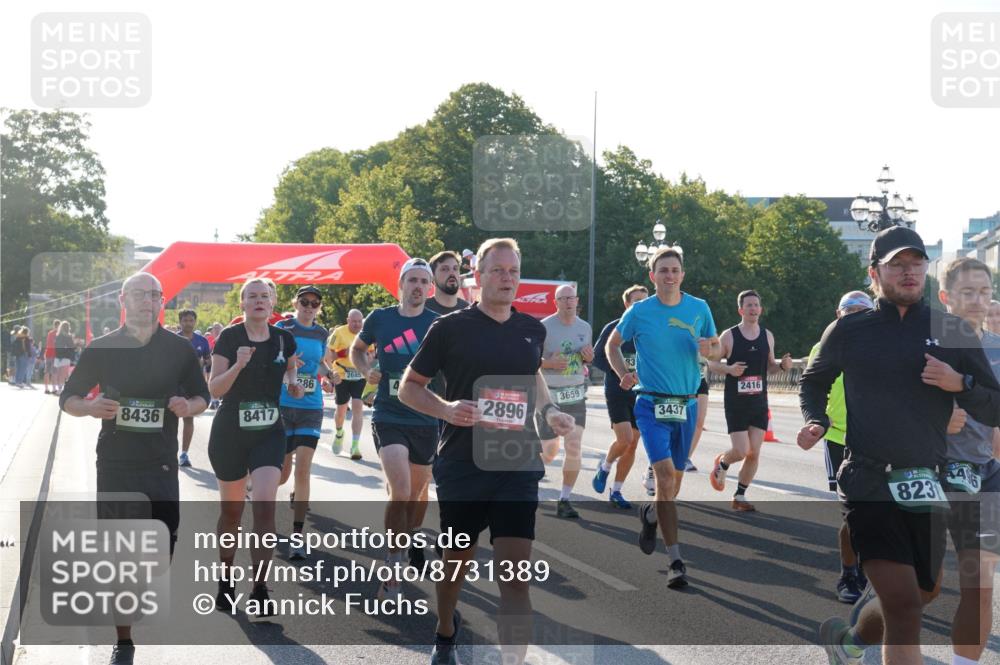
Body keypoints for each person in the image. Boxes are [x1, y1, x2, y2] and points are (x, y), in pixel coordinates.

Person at [799, 227, 1000, 665]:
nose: (908, 272)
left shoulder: (952, 332)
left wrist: (959, 383)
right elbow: (812, 380)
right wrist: (816, 420)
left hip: (926, 483)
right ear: (875, 273)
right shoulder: (850, 330)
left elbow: (994, 405)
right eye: (896, 265)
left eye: (915, 263)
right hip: (869, 479)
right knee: (906, 607)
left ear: (926, 270)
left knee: (922, 594)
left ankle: (850, 639)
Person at [399, 237, 575, 665]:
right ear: (478, 277)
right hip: (463, 464)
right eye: (498, 271)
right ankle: (445, 631)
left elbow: (532, 376)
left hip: (517, 462)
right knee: (454, 566)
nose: (507, 279)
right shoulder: (449, 328)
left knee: (514, 578)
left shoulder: (531, 329)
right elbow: (409, 388)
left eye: (513, 271)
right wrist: (444, 408)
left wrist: (550, 411)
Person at [60, 272, 209, 665]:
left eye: (154, 295)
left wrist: (187, 406)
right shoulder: (102, 348)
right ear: (123, 299)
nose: (147, 301)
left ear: (162, 302)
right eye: (139, 294)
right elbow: (68, 397)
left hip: (160, 464)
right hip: (116, 463)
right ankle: (123, 641)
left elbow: (202, 396)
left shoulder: (179, 349)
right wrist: (89, 408)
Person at [606, 245, 721, 589]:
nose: (669, 275)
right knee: (666, 474)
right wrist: (623, 372)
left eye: (675, 270)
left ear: (682, 275)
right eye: (663, 270)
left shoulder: (699, 308)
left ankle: (652, 513)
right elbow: (612, 345)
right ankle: (675, 561)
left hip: (685, 404)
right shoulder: (639, 312)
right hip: (651, 404)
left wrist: (710, 348)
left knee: (671, 485)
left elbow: (716, 345)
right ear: (652, 275)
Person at [208, 277, 303, 614]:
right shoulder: (229, 338)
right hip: (230, 432)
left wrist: (293, 386)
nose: (259, 301)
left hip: (268, 432)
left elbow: (291, 369)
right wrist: (238, 364)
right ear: (243, 304)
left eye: (265, 296)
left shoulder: (284, 338)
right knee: (232, 512)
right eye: (253, 296)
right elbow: (215, 390)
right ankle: (225, 578)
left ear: (273, 303)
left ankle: (260, 588)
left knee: (264, 506)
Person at [350, 258, 440, 598]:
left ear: (429, 288)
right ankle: (392, 563)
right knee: (400, 490)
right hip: (389, 416)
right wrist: (364, 370)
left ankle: (410, 534)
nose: (418, 286)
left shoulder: (438, 324)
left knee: (417, 495)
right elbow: (358, 350)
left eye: (423, 281)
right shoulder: (381, 318)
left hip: (427, 417)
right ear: (401, 284)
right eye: (412, 280)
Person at [936, 258, 1000, 665]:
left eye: (985, 291)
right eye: (968, 292)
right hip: (929, 470)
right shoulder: (925, 345)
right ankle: (856, 633)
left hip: (982, 473)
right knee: (922, 588)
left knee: (980, 584)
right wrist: (936, 417)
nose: (979, 301)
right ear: (945, 298)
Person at [806, 290, 873, 604]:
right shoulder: (824, 346)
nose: (858, 317)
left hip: (876, 438)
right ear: (839, 315)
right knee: (852, 513)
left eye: (864, 311)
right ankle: (849, 573)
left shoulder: (882, 347)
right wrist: (816, 421)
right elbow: (813, 386)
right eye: (851, 312)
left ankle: (867, 568)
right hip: (838, 437)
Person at [708, 290, 792, 512]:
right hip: (736, 402)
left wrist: (782, 366)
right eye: (749, 305)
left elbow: (769, 367)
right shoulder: (729, 336)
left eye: (756, 305)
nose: (753, 308)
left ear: (761, 309)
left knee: (754, 452)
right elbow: (712, 363)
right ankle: (723, 462)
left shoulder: (768, 336)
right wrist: (729, 369)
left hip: (759, 402)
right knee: (741, 450)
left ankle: (740, 496)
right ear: (741, 310)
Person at [276, 286, 333, 560]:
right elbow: (272, 360)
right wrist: (287, 369)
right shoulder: (283, 328)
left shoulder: (322, 333)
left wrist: (330, 374)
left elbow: (319, 363)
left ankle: (298, 536)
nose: (309, 306)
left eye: (315, 303)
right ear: (296, 303)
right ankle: (254, 490)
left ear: (319, 307)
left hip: (311, 406)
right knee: (284, 473)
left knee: (303, 471)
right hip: (284, 405)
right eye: (305, 301)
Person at [538, 283, 594, 518]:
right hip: (549, 396)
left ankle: (564, 499)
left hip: (575, 394)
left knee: (573, 445)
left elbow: (585, 360)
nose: (569, 302)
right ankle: (529, 475)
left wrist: (588, 358)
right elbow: (530, 361)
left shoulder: (585, 327)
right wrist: (549, 363)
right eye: (564, 299)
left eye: (572, 298)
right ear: (556, 302)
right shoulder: (544, 327)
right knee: (549, 452)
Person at [592, 285, 648, 509]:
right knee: (624, 439)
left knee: (633, 444)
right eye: (636, 301)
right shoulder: (614, 328)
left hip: (641, 393)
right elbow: (597, 358)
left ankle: (616, 491)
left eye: (644, 301)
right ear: (627, 304)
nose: (640, 306)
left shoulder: (650, 329)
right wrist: (621, 372)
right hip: (617, 391)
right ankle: (605, 467)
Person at [328, 309, 368, 459]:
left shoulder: (365, 333)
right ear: (348, 320)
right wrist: (341, 354)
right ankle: (339, 433)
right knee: (341, 410)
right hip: (342, 374)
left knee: (358, 407)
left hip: (359, 374)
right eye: (354, 321)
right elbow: (328, 355)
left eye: (359, 321)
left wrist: (366, 361)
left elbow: (370, 354)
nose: (357, 324)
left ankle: (355, 446)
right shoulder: (339, 332)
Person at [176, 309, 212, 467]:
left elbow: (208, 361)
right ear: (180, 322)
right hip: (173, 384)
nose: (188, 323)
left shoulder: (202, 341)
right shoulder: (173, 339)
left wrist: (206, 378)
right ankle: (167, 452)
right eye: (185, 320)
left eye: (191, 320)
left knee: (188, 418)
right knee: (168, 420)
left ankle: (184, 454)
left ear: (195, 322)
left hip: (192, 386)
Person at [425, 251, 470, 316]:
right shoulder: (421, 309)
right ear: (432, 276)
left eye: (455, 268)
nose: (452, 273)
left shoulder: (468, 311)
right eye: (445, 269)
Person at [53, 320, 75, 394]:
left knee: (58, 374)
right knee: (63, 374)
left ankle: (58, 388)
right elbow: (72, 347)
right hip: (66, 357)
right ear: (68, 328)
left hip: (58, 356)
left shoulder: (58, 335)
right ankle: (61, 389)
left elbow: (56, 346)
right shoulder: (69, 336)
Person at [43, 319, 60, 394]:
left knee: (47, 372)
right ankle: (54, 389)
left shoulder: (50, 333)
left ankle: (46, 388)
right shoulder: (59, 334)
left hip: (48, 354)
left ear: (54, 325)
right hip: (55, 355)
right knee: (54, 372)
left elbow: (48, 343)